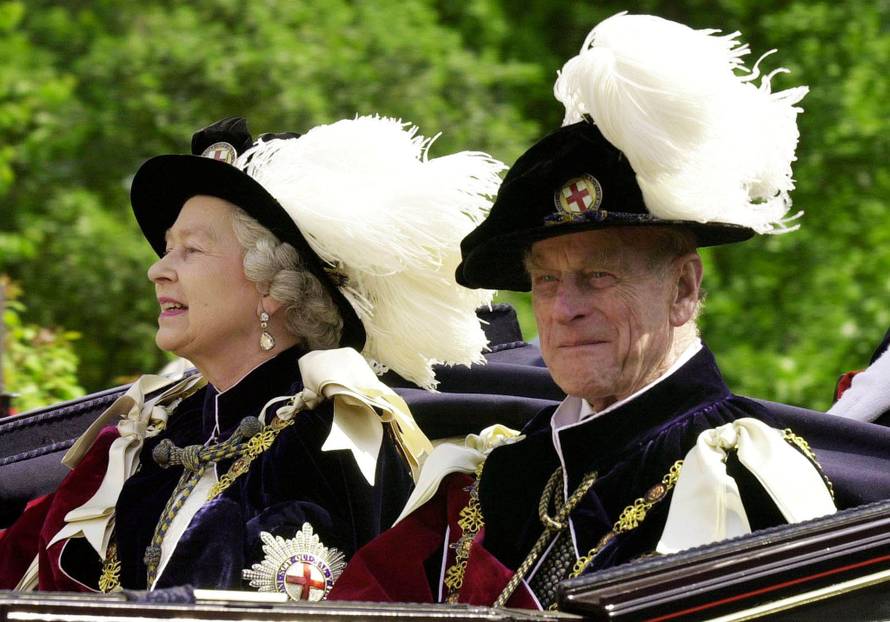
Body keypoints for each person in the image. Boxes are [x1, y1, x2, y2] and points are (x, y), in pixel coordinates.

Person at [329, 13, 890, 609]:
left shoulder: (753, 478)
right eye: (546, 281)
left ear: (681, 289)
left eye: (598, 277)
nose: (565, 308)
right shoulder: (492, 482)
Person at [0, 114, 507, 598]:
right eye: (166, 249)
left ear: (271, 288)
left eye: (192, 250)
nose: (159, 271)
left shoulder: (332, 439)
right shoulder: (164, 432)